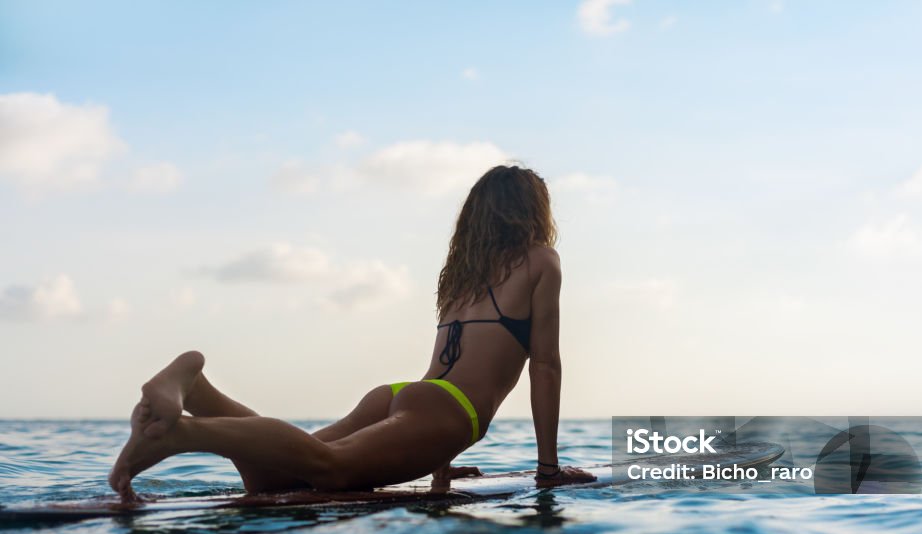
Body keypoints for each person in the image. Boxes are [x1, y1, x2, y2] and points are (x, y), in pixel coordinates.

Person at [108, 165, 597, 501]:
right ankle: (184, 433)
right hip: (452, 412)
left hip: (405, 394)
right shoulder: (540, 260)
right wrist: (548, 470)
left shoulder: (462, 276)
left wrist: (436, 462)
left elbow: (445, 367)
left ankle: (197, 387)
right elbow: (545, 365)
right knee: (329, 467)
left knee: (277, 478)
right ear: (534, 211)